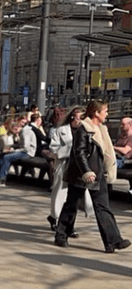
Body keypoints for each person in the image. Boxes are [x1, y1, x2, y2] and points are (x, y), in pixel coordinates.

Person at [55, 100, 131, 253]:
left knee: (103, 207)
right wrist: (86, 171)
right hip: (81, 175)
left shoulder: (102, 129)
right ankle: (61, 235)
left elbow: (106, 153)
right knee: (72, 204)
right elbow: (79, 152)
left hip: (98, 174)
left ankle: (112, 242)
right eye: (105, 111)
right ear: (96, 113)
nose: (107, 114)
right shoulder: (83, 130)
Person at [47, 106, 93, 234]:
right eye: (80, 115)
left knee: (74, 197)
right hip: (64, 164)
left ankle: (69, 226)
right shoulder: (61, 130)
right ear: (73, 115)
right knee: (60, 194)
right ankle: (55, 218)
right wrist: (71, 148)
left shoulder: (87, 130)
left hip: (79, 167)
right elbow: (53, 148)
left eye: (84, 116)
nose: (81, 118)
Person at [0, 115, 38, 187]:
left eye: (15, 129)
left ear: (19, 127)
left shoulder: (25, 132)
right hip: (24, 151)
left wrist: (14, 150)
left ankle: (2, 180)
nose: (15, 132)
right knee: (1, 155)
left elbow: (26, 148)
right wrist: (12, 146)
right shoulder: (22, 132)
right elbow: (21, 145)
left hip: (28, 153)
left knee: (7, 157)